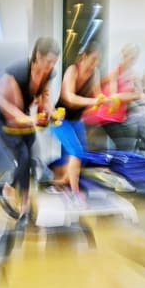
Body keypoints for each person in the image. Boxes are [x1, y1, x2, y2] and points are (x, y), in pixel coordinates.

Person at [0, 37, 60, 219]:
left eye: (54, 63)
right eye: (48, 61)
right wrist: (31, 120)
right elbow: (12, 113)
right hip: (2, 117)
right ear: (38, 55)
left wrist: (52, 114)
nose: (50, 66)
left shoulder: (48, 74)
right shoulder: (18, 73)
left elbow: (44, 99)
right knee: (23, 154)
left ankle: (9, 190)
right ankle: (23, 206)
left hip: (21, 115)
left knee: (30, 151)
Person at [51, 41, 110, 204]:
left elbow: (98, 96)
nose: (94, 64)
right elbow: (70, 98)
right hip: (59, 119)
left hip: (76, 120)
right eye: (93, 59)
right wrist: (94, 102)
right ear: (84, 57)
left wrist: (106, 101)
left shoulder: (95, 73)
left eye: (98, 61)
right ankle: (74, 192)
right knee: (76, 152)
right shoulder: (72, 71)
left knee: (79, 156)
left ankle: (60, 183)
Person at [99, 43, 142, 151]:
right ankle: (118, 166)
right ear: (124, 56)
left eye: (135, 58)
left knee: (130, 144)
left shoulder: (133, 74)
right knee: (125, 146)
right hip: (108, 116)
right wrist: (132, 95)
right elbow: (114, 97)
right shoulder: (115, 72)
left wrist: (133, 95)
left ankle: (120, 165)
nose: (132, 61)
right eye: (131, 57)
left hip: (120, 117)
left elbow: (140, 93)